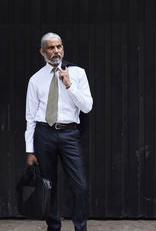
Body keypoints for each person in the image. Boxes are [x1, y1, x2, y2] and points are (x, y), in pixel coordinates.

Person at [25, 32, 93, 231]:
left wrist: (69, 84)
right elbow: (30, 116)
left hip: (69, 134)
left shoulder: (78, 73)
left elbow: (87, 106)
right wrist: (30, 150)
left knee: (80, 186)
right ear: (42, 51)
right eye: (51, 48)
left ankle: (80, 228)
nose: (56, 51)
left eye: (59, 47)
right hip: (44, 134)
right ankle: (53, 227)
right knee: (48, 185)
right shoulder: (35, 80)